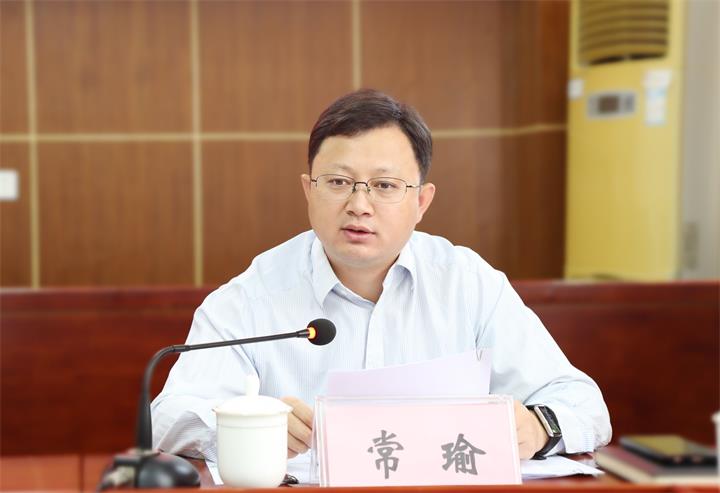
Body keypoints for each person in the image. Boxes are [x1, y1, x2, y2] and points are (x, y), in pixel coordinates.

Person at [151, 89, 611, 467]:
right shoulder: (252, 295)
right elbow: (169, 418)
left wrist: (540, 427)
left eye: (385, 186)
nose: (359, 205)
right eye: (338, 182)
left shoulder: (468, 284)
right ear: (308, 190)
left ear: (422, 202)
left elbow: (583, 404)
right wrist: (248, 426)